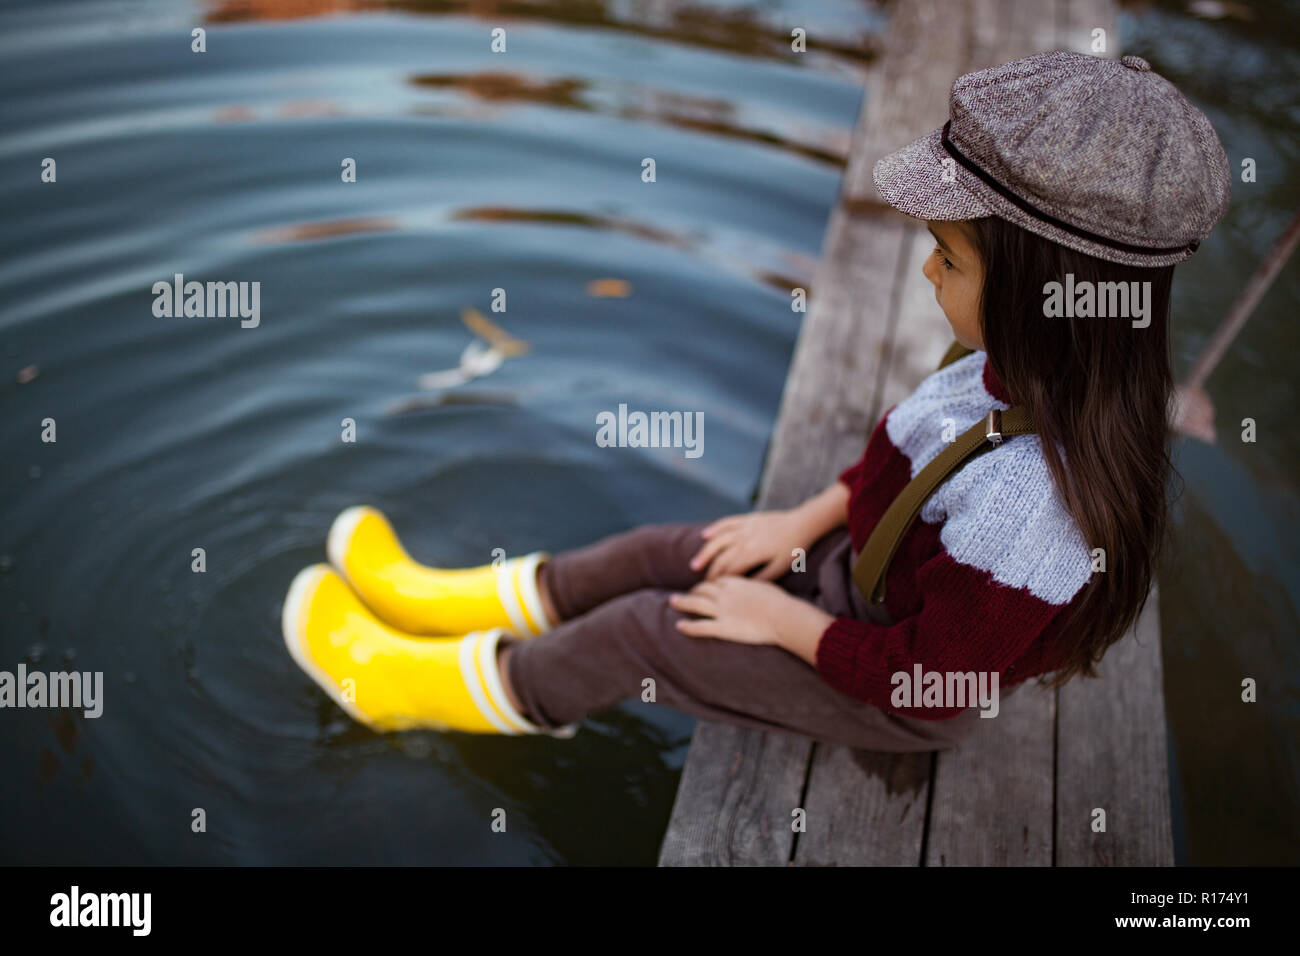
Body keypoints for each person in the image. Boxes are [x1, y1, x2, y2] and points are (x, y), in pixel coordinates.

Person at [282, 50, 1230, 751]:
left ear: (1039, 295)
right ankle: (451, 602)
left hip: (885, 682)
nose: (929, 274)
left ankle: (433, 689)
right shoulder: (1005, 368)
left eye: (949, 259)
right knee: (674, 552)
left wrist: (781, 621)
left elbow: (938, 680)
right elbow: (894, 460)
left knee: (655, 629)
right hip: (852, 574)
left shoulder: (1040, 513)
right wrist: (800, 520)